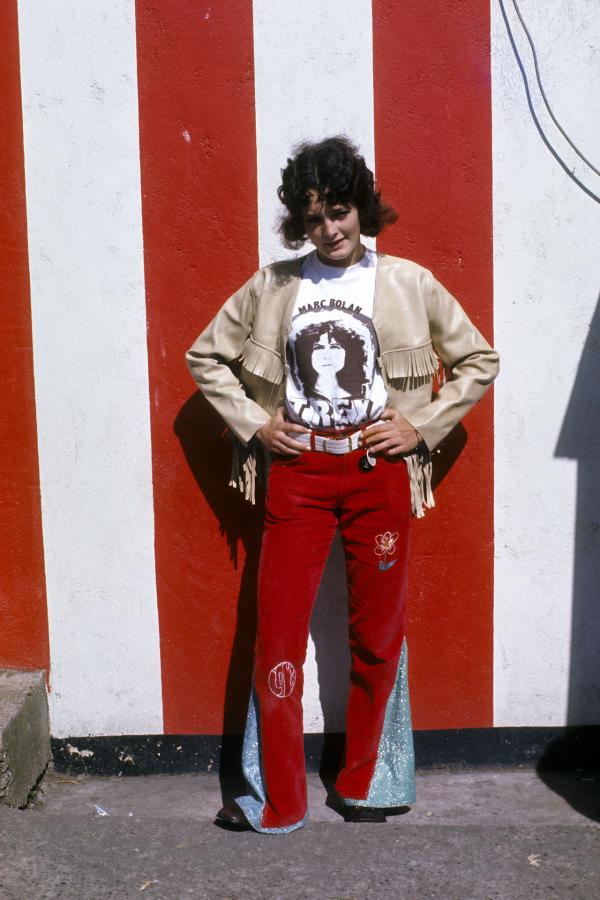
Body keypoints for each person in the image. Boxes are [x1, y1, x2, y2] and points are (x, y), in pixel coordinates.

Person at [185, 136, 499, 833]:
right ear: (301, 222)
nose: (331, 229)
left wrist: (420, 427)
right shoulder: (274, 286)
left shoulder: (407, 282)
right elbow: (204, 355)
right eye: (315, 216)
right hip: (296, 476)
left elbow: (479, 359)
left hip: (375, 473)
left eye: (342, 210)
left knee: (377, 632)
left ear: (363, 208)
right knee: (278, 636)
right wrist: (255, 426)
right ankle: (279, 799)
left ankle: (368, 785)